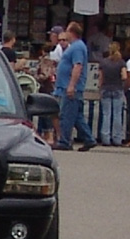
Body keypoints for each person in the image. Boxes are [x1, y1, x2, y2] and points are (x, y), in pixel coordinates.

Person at [52, 22, 97, 152]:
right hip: (68, 85)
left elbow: (78, 66)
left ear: (72, 32)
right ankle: (89, 139)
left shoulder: (77, 47)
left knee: (66, 115)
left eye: (67, 31)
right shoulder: (76, 46)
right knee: (77, 116)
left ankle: (64, 141)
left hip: (71, 87)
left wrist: (71, 85)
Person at [99, 42, 127, 147]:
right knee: (117, 114)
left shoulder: (104, 62)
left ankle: (105, 138)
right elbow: (124, 76)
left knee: (106, 114)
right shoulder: (121, 62)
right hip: (117, 89)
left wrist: (100, 89)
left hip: (106, 88)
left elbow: (100, 79)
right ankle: (117, 138)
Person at [36, 42, 57, 144]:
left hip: (45, 88)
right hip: (50, 88)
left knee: (45, 114)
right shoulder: (52, 61)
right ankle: (45, 134)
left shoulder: (45, 61)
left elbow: (44, 75)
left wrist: (34, 76)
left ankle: (49, 136)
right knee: (44, 113)